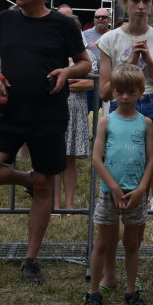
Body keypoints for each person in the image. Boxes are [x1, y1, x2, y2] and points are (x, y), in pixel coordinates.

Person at [0, 0, 91, 284]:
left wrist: (67, 73)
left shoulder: (63, 24)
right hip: (8, 111)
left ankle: (31, 259)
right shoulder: (6, 20)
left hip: (49, 114)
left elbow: (85, 63)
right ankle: (28, 179)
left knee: (47, 185)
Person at [97, 0, 153, 213]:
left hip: (152, 101)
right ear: (124, 2)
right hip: (121, 105)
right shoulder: (110, 39)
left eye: (146, 1)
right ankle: (116, 190)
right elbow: (104, 92)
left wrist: (150, 62)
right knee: (119, 151)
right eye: (135, 1)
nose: (141, 6)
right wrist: (130, 62)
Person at [86, 63, 153, 305]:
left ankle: (131, 290)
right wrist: (114, 188)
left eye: (130, 92)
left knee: (132, 244)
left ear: (140, 92)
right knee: (103, 243)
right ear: (113, 92)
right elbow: (96, 158)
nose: (124, 97)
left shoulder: (145, 123)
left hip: (135, 194)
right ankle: (94, 291)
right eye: (119, 92)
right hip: (109, 194)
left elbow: (151, 160)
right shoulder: (106, 122)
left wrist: (141, 190)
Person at [56, 18, 97, 210]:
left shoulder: (87, 55)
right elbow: (48, 81)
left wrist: (64, 81)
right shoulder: (54, 53)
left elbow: (91, 83)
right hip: (55, 108)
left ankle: (70, 205)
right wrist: (74, 79)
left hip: (77, 108)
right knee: (54, 158)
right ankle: (55, 204)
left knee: (70, 159)